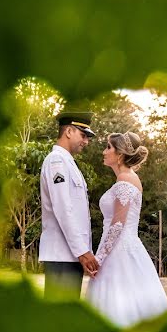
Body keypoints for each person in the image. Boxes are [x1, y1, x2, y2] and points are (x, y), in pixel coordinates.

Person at [85, 131, 167, 327]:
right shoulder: (127, 177)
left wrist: (99, 259)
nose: (104, 151)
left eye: (108, 147)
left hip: (118, 251)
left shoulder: (125, 179)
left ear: (120, 154)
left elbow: (117, 224)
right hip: (122, 246)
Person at [38, 111, 100, 301]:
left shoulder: (68, 162)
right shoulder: (57, 161)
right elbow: (63, 208)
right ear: (69, 131)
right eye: (83, 135)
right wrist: (82, 251)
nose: (86, 142)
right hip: (62, 254)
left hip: (69, 254)